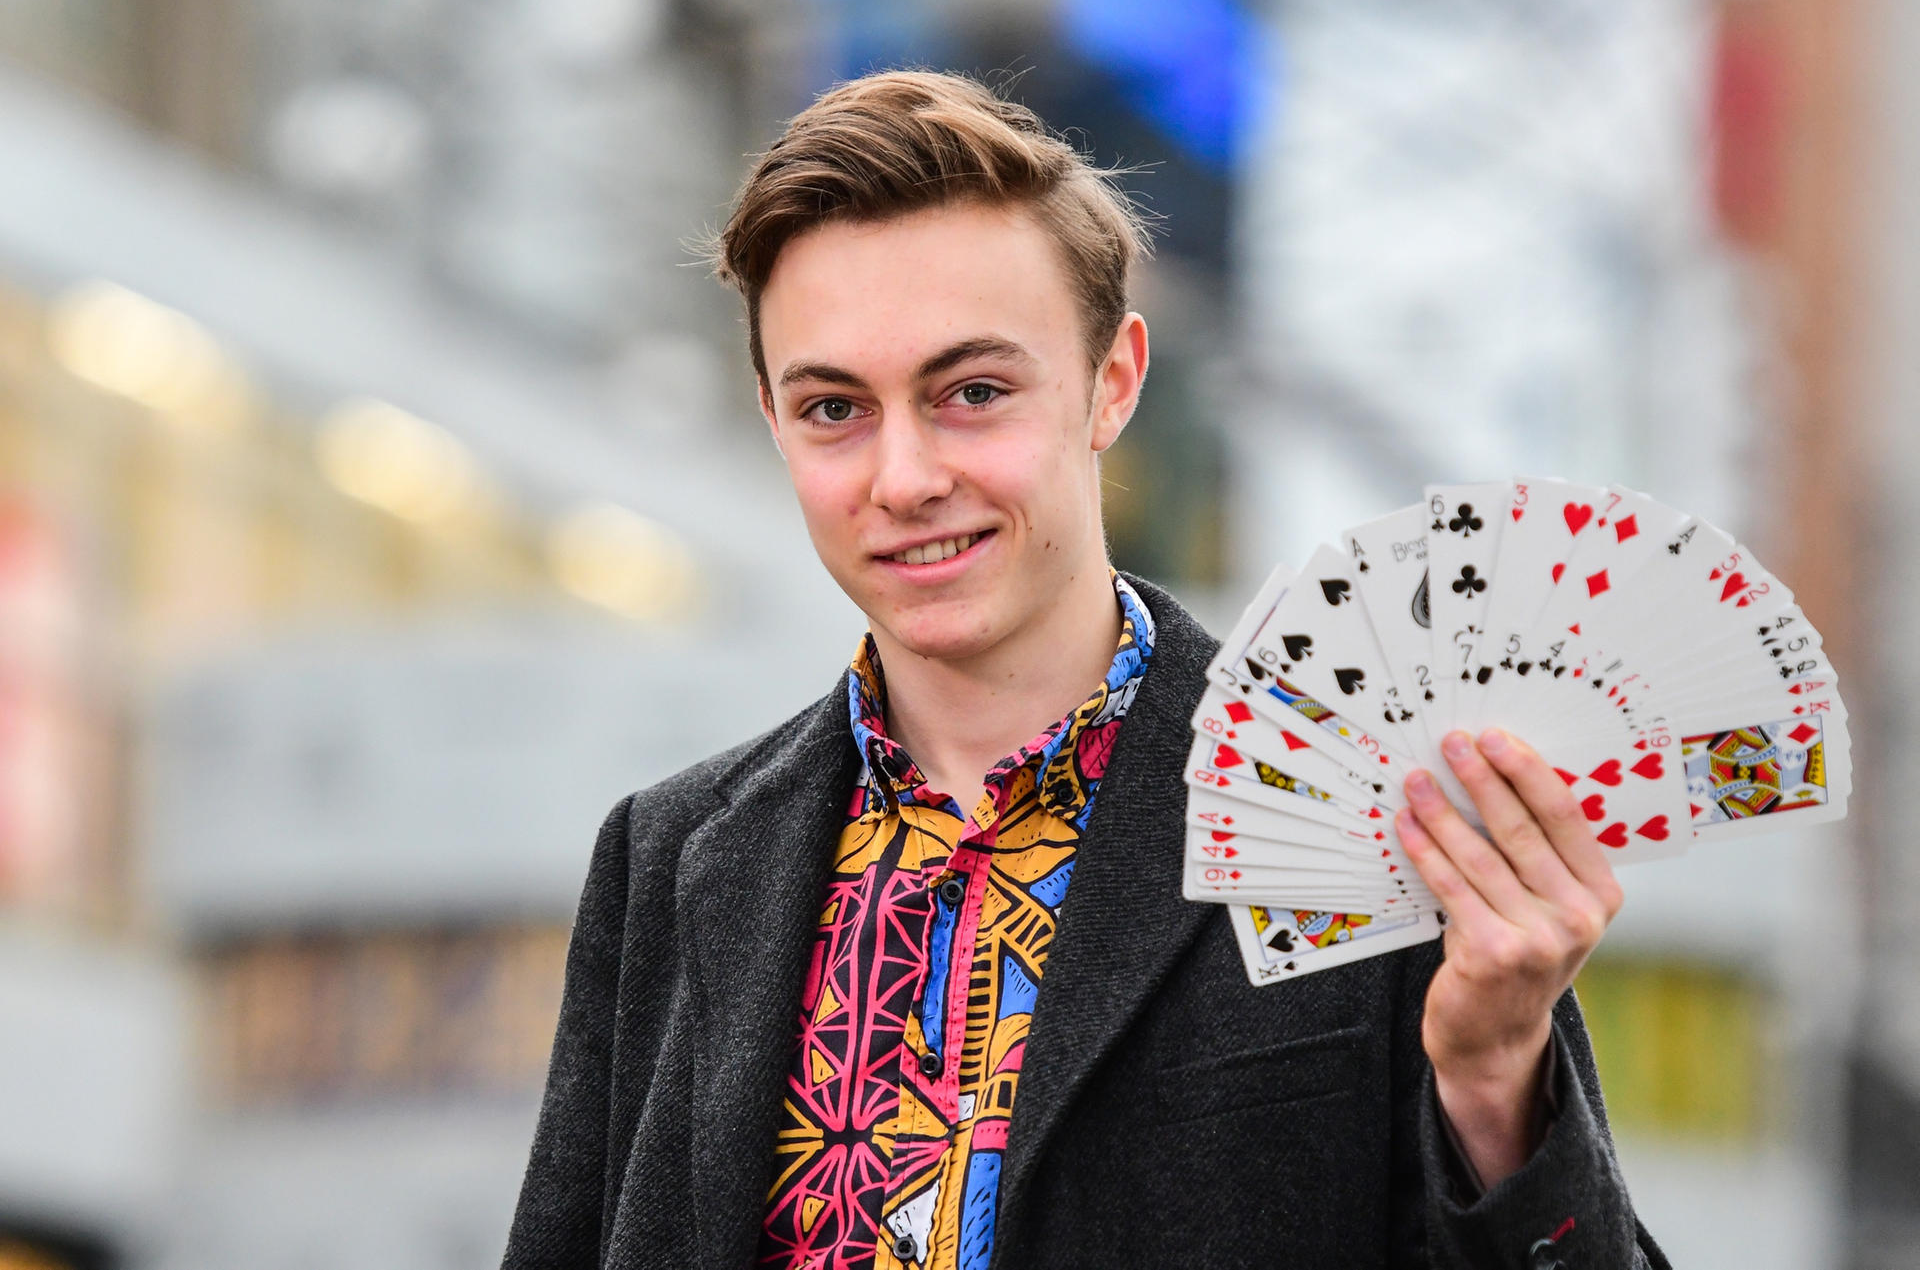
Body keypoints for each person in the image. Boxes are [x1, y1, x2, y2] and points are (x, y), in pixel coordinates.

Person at [502, 70, 1667, 1270]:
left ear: (1113, 382)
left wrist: (1490, 1084)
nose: (903, 479)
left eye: (974, 393)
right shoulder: (668, 858)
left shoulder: (1357, 824)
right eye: (835, 409)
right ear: (772, 418)